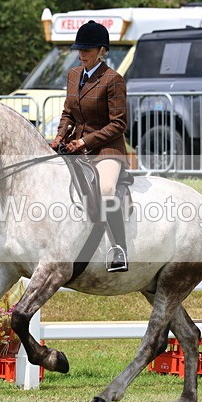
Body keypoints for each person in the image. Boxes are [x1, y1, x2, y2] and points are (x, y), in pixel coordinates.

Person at [49, 20, 129, 273]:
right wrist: (59, 137)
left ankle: (118, 248)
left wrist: (84, 141)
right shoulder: (73, 75)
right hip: (76, 147)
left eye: (88, 49)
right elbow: (68, 113)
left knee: (106, 187)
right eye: (80, 49)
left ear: (101, 51)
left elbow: (118, 124)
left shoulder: (113, 80)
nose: (82, 54)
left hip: (106, 149)